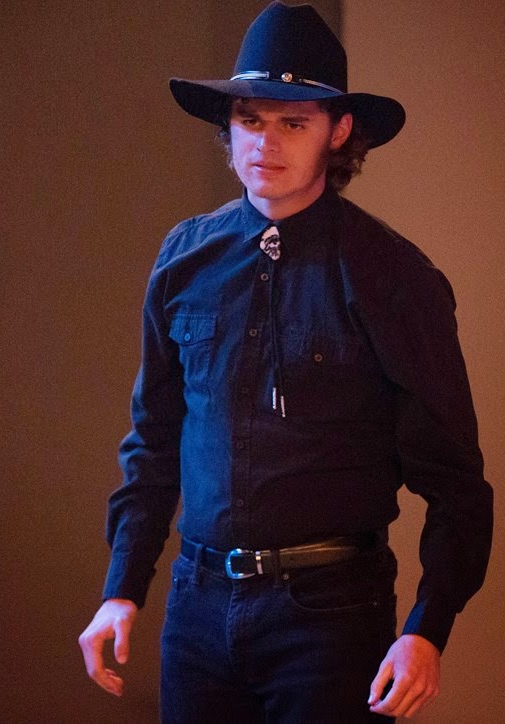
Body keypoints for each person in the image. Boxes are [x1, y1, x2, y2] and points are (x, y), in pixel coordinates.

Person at [78, 3, 492, 721]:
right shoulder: (185, 257)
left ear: (339, 131)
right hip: (198, 604)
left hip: (331, 613)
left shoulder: (394, 277)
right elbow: (154, 438)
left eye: (293, 123)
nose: (265, 142)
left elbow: (456, 480)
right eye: (250, 119)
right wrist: (122, 587)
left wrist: (428, 628)